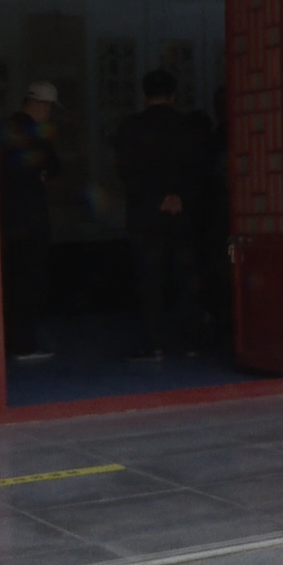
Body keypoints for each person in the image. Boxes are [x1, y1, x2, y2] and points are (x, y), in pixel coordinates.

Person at [113, 69, 212, 361]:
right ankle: (193, 341)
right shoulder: (189, 127)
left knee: (150, 280)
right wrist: (179, 196)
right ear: (173, 95)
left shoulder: (130, 127)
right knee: (187, 277)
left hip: (146, 215)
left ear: (144, 95)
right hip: (184, 214)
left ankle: (155, 343)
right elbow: (200, 169)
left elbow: (126, 171)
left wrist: (157, 199)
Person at [0, 80, 62, 361]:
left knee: (9, 280)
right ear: (43, 105)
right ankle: (23, 343)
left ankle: (7, 339)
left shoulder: (4, 128)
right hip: (30, 219)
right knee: (29, 281)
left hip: (4, 218)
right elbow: (53, 166)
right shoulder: (37, 133)